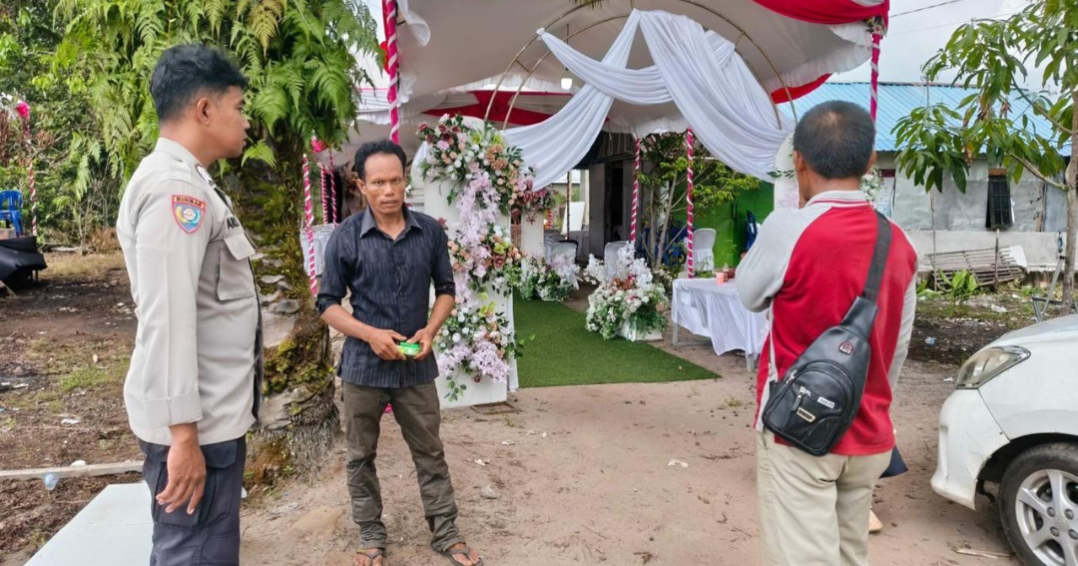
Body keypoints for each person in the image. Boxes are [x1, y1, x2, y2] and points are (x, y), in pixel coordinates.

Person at [736, 100, 918, 566]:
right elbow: (897, 346)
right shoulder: (899, 242)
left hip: (799, 431)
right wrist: (869, 401)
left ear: (799, 160)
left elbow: (749, 295)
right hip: (869, 433)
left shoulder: (788, 229)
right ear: (870, 162)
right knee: (850, 554)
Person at [116, 44, 259, 565]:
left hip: (209, 420)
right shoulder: (176, 190)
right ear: (204, 109)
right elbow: (169, 319)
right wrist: (183, 438)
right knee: (194, 554)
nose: (246, 121)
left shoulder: (191, 182)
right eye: (238, 107)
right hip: (197, 428)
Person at [317, 140, 483, 566]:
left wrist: (431, 329)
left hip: (415, 366)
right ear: (361, 185)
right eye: (378, 183)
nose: (388, 190)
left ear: (406, 179)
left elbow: (446, 290)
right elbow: (327, 303)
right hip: (363, 368)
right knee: (360, 456)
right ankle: (371, 536)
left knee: (430, 451)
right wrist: (370, 334)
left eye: (395, 180)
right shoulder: (345, 237)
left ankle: (446, 533)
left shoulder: (429, 232)